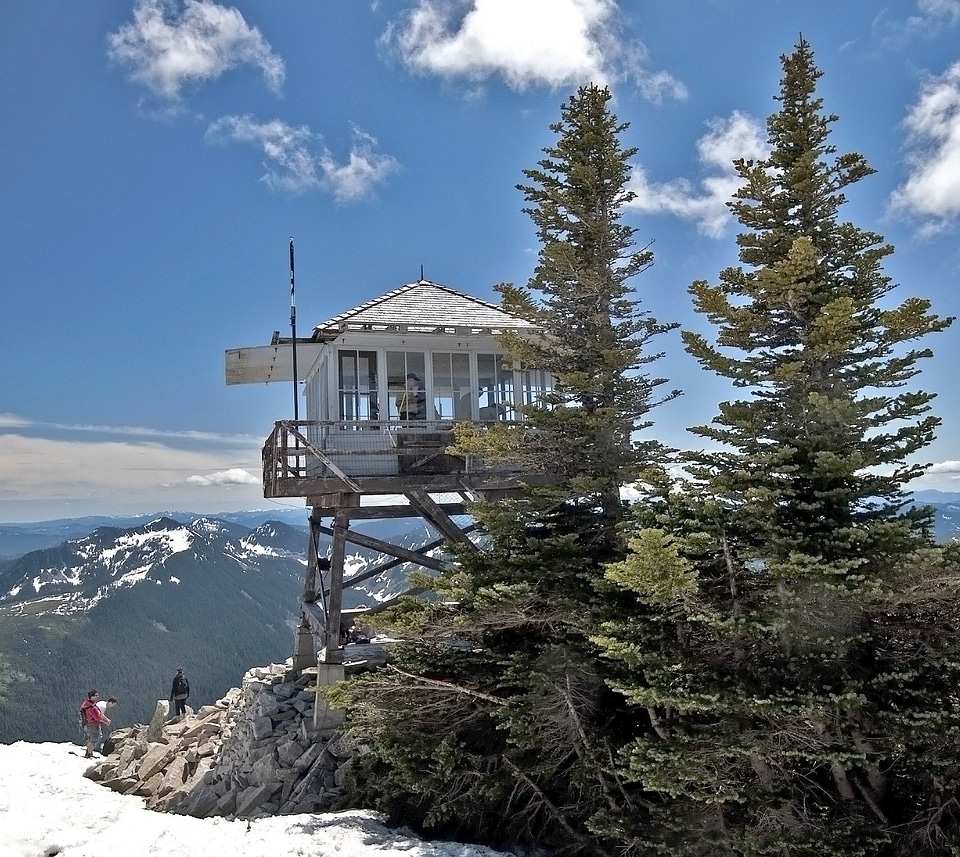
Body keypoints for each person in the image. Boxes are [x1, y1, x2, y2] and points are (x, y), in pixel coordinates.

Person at [79, 690, 109, 758]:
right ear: (92, 697)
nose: (97, 697)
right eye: (96, 695)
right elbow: (97, 717)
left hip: (87, 724)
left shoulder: (86, 704)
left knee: (91, 739)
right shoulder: (92, 707)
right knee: (94, 740)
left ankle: (89, 752)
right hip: (93, 725)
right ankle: (89, 754)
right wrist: (105, 721)